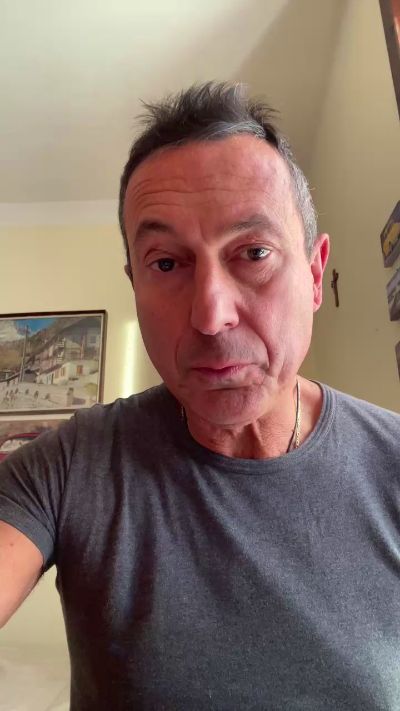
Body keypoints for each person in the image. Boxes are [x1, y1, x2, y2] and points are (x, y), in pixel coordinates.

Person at [0, 82, 399, 711]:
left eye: (254, 253)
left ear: (315, 274)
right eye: (166, 263)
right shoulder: (70, 467)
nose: (211, 315)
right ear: (135, 284)